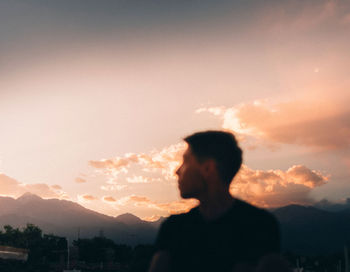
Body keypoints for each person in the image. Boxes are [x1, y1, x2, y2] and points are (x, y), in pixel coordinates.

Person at [148, 130, 281, 272]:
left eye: (185, 161)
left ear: (208, 168)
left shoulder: (259, 226)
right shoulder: (173, 228)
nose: (177, 171)